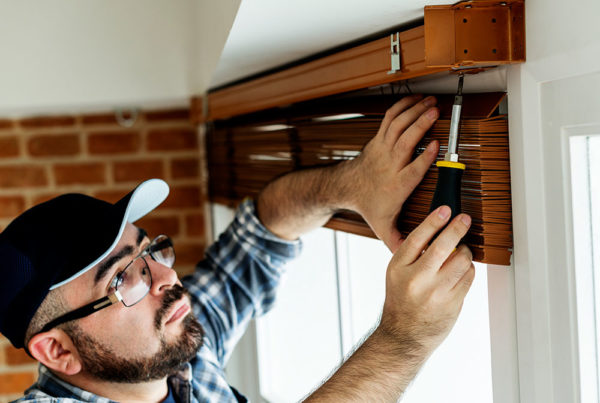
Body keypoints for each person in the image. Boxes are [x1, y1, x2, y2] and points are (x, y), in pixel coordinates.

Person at [0, 94, 474, 403]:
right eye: (123, 278)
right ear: (59, 351)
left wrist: (354, 184)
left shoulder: (175, 353)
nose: (166, 279)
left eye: (150, 253)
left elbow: (264, 227)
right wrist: (405, 337)